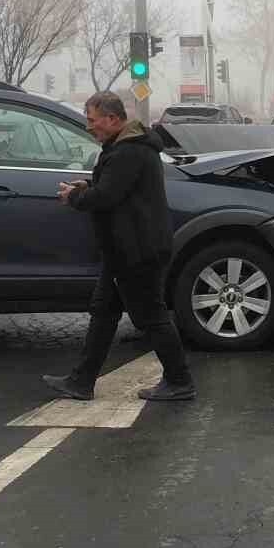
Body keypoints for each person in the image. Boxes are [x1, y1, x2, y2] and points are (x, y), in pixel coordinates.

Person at [43, 91, 195, 403]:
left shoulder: (129, 151)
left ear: (112, 119)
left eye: (92, 121)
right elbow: (117, 190)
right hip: (125, 249)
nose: (89, 127)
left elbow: (107, 197)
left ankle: (180, 380)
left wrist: (74, 197)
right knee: (104, 311)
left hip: (136, 249)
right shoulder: (126, 148)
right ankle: (81, 381)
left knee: (151, 315)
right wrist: (87, 187)